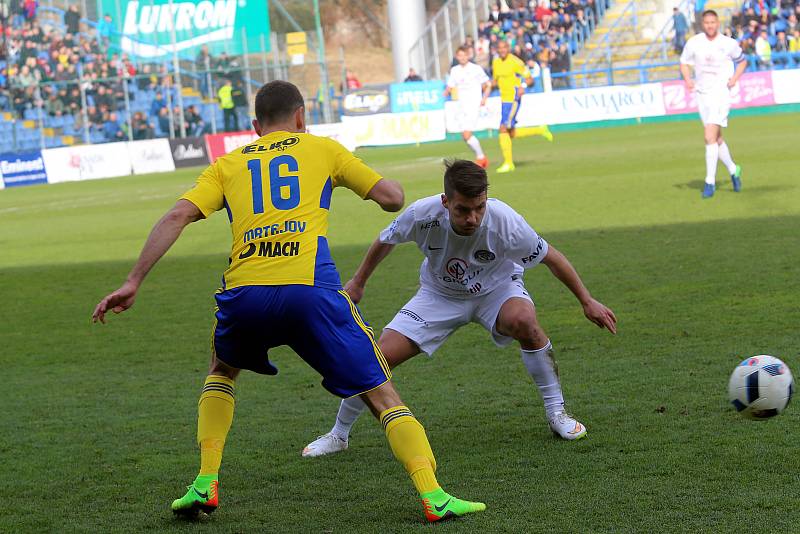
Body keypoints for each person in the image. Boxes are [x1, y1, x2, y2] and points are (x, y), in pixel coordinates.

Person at [91, 80, 485, 524]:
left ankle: (205, 481)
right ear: (301, 116)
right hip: (310, 291)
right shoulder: (323, 149)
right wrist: (370, 180)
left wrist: (133, 280)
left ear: (256, 126)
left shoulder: (228, 163)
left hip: (245, 295)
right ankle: (433, 495)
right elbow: (391, 199)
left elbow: (177, 215)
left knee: (221, 370)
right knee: (379, 390)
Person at [303, 159, 617, 458]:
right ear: (445, 201)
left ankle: (557, 412)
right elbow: (386, 239)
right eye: (463, 210)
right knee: (376, 358)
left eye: (479, 208)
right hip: (438, 295)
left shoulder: (505, 221)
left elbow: (552, 257)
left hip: (497, 290)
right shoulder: (422, 214)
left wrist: (587, 301)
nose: (473, 218)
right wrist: (358, 282)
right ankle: (338, 434)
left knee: (524, 320)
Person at [679, 9, 746, 199]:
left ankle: (710, 182)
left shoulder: (728, 44)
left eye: (713, 22)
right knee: (716, 138)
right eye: (706, 22)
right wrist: (687, 80)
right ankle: (734, 169)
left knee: (709, 136)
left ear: (717, 23)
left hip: (721, 94)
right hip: (702, 94)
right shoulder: (694, 43)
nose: (710, 25)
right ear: (703, 24)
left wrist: (734, 79)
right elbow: (684, 62)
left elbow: (742, 61)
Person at [490, 40, 552, 174]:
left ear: (508, 48)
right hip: (503, 100)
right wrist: (488, 86)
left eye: (504, 47)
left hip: (513, 99)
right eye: (499, 48)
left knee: (502, 129)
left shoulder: (516, 62)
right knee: (510, 132)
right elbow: (495, 81)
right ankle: (540, 130)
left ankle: (508, 163)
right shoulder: (496, 62)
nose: (502, 50)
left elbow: (530, 79)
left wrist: (522, 87)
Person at [444, 46, 492, 168]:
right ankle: (482, 158)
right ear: (457, 57)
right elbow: (450, 86)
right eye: (459, 55)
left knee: (467, 134)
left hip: (473, 105)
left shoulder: (475, 69)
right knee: (465, 136)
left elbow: (488, 84)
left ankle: (481, 158)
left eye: (464, 55)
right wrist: (445, 93)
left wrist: (484, 98)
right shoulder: (455, 70)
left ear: (468, 55)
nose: (462, 57)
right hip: (462, 106)